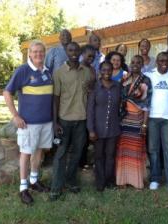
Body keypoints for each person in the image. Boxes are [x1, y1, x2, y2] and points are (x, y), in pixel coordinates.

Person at [3, 40, 52, 205]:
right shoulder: (23, 70)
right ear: (30, 54)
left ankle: (34, 181)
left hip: (46, 122)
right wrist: (15, 116)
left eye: (41, 51)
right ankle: (23, 188)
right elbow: (7, 92)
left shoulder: (47, 71)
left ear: (44, 54)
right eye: (35, 51)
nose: (38, 54)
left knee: (38, 152)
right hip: (28, 123)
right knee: (26, 153)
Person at [50, 42, 94, 200]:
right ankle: (56, 186)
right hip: (64, 121)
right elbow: (55, 98)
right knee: (60, 154)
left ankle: (70, 180)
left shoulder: (87, 72)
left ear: (80, 52)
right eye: (70, 50)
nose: (74, 53)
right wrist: (55, 122)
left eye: (76, 50)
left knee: (76, 154)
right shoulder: (59, 73)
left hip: (81, 121)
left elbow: (92, 91)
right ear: (66, 52)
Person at [146, 52, 168, 197]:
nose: (164, 62)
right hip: (153, 118)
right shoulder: (149, 75)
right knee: (153, 150)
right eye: (161, 60)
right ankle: (155, 179)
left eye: (167, 60)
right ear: (157, 62)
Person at [116, 55, 152, 189]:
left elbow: (147, 104)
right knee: (123, 149)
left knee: (136, 150)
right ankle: (122, 180)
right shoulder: (124, 79)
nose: (135, 64)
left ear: (142, 64)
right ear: (130, 64)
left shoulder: (146, 80)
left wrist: (144, 123)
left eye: (138, 62)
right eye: (133, 62)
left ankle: (137, 181)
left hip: (137, 119)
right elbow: (119, 98)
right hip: (124, 119)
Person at [87, 61, 121, 191]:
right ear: (99, 71)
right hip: (98, 129)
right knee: (99, 156)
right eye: (104, 70)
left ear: (112, 71)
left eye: (109, 70)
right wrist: (91, 130)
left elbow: (120, 106)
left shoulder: (117, 86)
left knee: (110, 156)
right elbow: (90, 110)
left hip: (113, 128)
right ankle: (100, 182)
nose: (106, 72)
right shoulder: (95, 87)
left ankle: (109, 181)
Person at [79, 44, 96, 169]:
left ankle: (85, 161)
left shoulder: (93, 69)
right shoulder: (78, 68)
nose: (91, 58)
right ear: (83, 54)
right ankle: (80, 162)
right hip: (79, 106)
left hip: (90, 106)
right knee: (81, 137)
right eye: (89, 56)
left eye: (93, 57)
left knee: (87, 136)